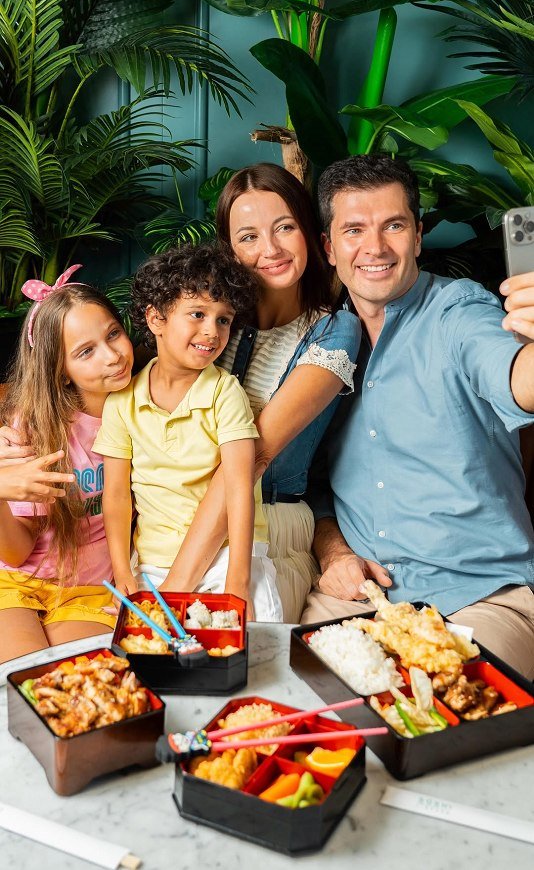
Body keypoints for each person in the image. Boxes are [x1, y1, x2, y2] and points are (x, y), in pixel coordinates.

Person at [301, 154, 534, 679]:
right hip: (358, 599)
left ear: (419, 235)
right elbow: (309, 486)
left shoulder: (459, 312)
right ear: (329, 247)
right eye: (354, 230)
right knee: (300, 694)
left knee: (447, 701)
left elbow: (516, 379)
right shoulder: (322, 346)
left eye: (394, 226)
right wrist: (334, 553)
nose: (375, 247)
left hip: (481, 599)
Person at [157, 163, 361, 622]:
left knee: (225, 652)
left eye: (285, 227)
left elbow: (254, 458)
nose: (270, 249)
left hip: (267, 531)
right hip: (171, 526)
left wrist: (174, 589)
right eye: (248, 237)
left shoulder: (334, 331)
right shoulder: (210, 325)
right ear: (229, 250)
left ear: (309, 231)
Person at [94, 242, 282, 621]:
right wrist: (122, 570)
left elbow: (239, 488)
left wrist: (238, 581)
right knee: (146, 648)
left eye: (224, 320)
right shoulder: (122, 403)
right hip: (154, 560)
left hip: (229, 554)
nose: (212, 331)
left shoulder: (225, 392)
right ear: (156, 319)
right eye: (197, 314)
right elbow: (115, 497)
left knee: (253, 635)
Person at [0, 267, 134, 663]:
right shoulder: (35, 427)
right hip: (15, 581)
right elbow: (17, 552)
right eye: (86, 351)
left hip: (89, 591)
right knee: (21, 678)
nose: (112, 356)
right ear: (61, 371)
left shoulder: (146, 409)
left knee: (74, 682)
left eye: (113, 334)